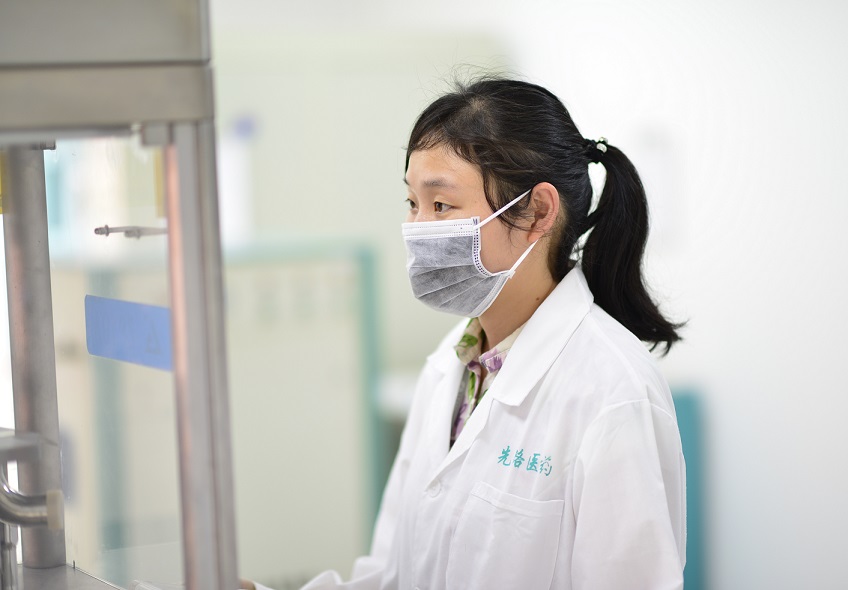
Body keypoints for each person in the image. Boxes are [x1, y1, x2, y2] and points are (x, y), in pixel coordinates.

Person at [250, 77, 686, 590]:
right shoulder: (450, 366)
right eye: (412, 202)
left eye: (441, 205)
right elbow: (393, 577)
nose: (418, 228)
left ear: (538, 212)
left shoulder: (613, 392)